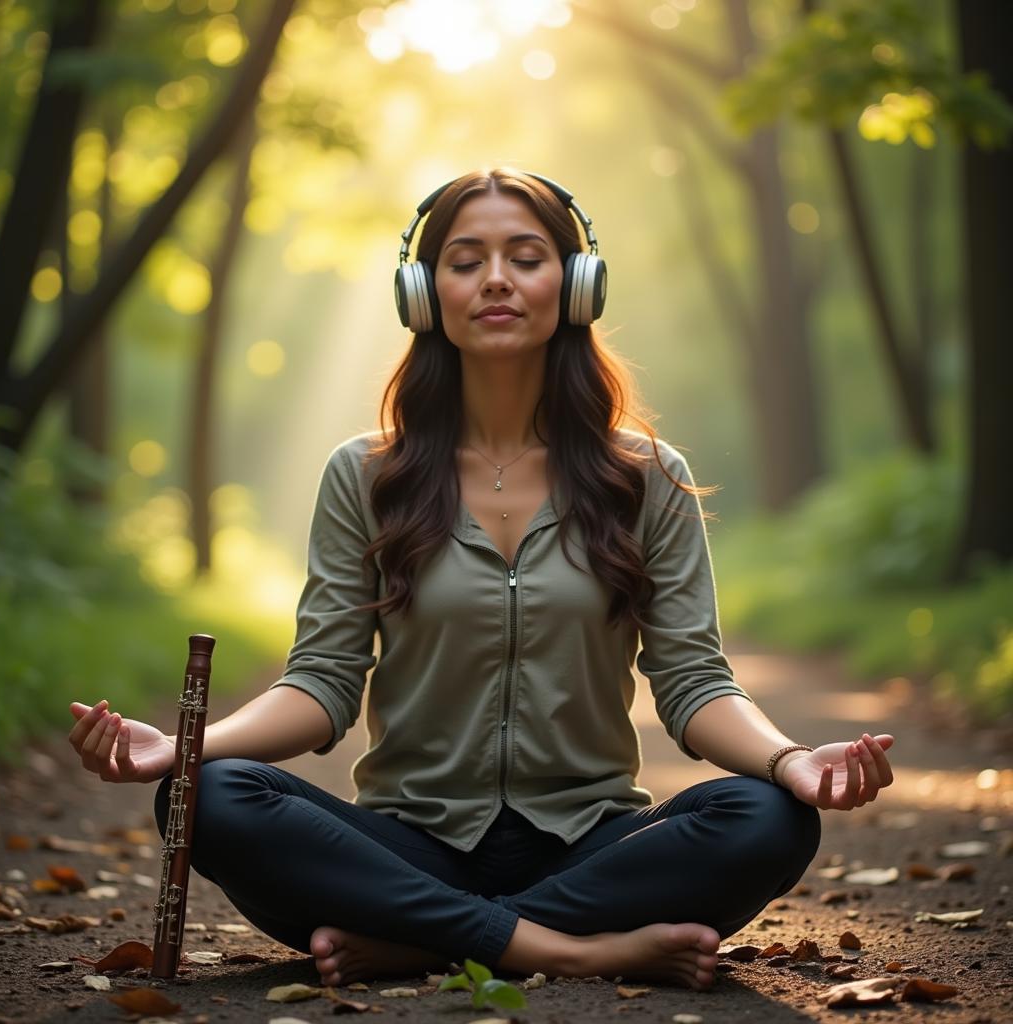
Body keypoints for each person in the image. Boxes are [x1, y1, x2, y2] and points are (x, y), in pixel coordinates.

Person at [68, 168, 895, 993]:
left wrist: (789, 762)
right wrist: (184, 749)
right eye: (465, 261)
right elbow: (321, 684)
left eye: (526, 257)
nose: (495, 279)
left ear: (575, 285)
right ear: (423, 294)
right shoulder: (365, 474)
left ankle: (423, 941)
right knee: (205, 795)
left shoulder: (648, 477)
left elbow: (694, 684)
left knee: (769, 817)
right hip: (404, 847)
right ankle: (568, 949)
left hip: (590, 846)